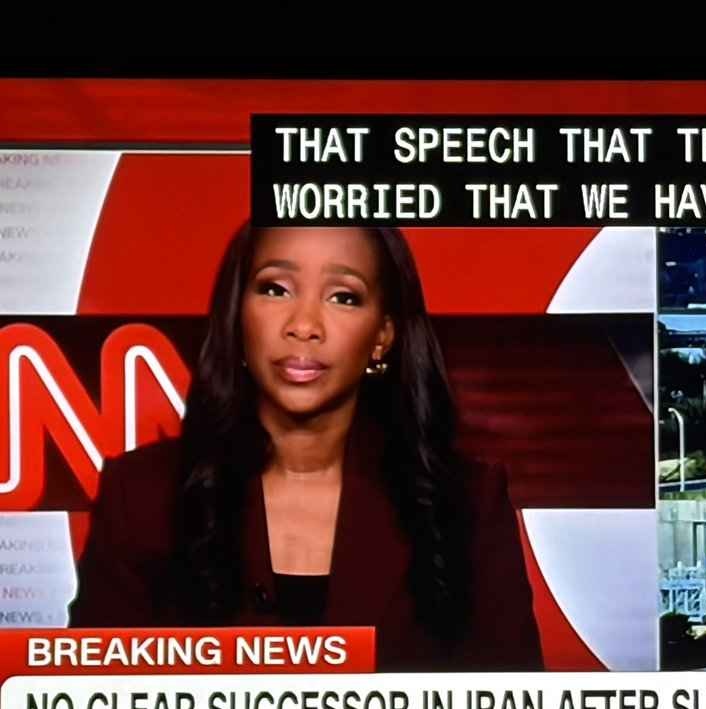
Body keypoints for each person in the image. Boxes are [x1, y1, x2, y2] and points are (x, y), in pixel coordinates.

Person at [70, 225, 544, 672]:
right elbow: (87, 708)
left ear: (383, 336)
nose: (303, 325)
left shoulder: (467, 503)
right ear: (238, 314)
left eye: (343, 297)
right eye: (275, 289)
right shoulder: (142, 496)